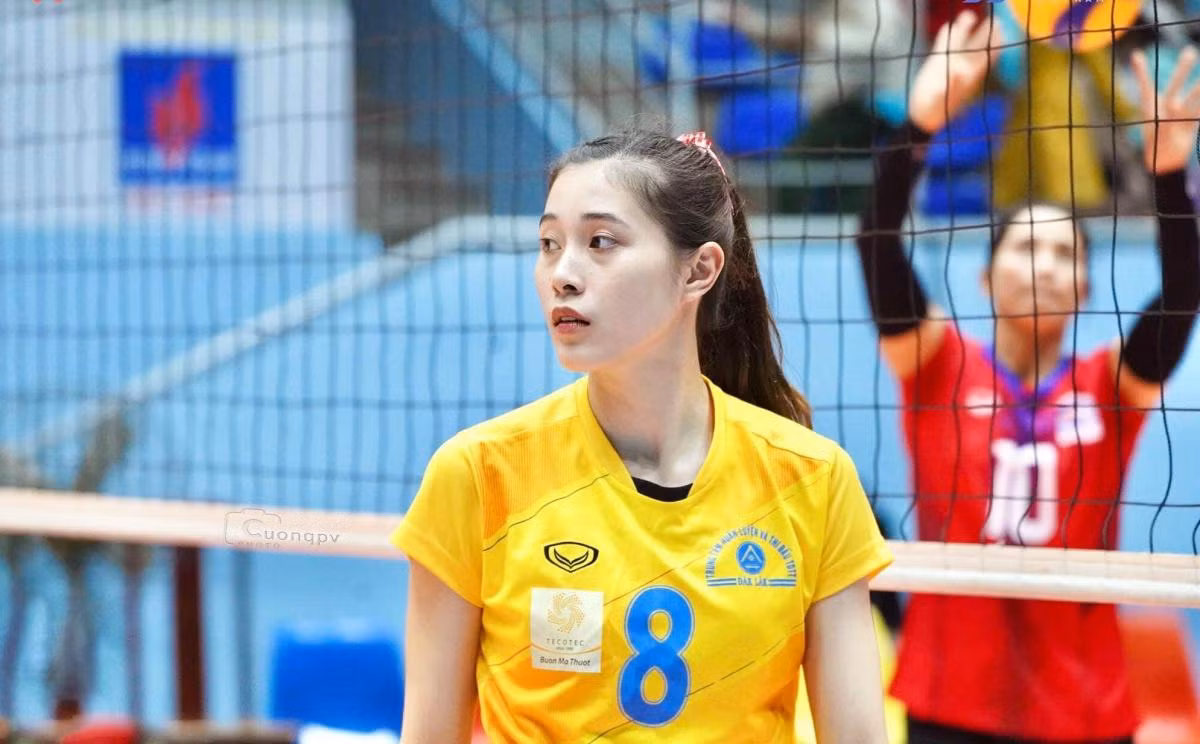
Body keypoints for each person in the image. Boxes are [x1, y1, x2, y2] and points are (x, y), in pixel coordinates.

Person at [393, 127, 894, 742]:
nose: (562, 275)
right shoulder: (477, 473)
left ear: (699, 270)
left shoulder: (813, 479)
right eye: (549, 244)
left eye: (600, 242)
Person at [856, 10, 1200, 743]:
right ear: (986, 278)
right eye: (1025, 248)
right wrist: (919, 127)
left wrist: (1170, 179)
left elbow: (1182, 295)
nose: (1043, 266)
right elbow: (876, 241)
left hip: (1084, 707)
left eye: (1065, 254)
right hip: (949, 700)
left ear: (1085, 288)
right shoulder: (936, 363)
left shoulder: (1112, 385)